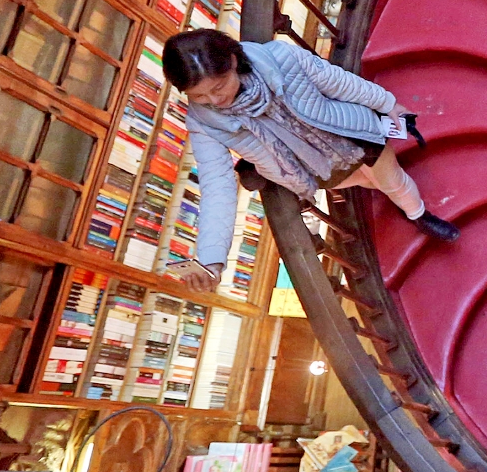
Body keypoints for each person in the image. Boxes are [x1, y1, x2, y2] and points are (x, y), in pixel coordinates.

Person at [162, 30, 458, 292]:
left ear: (232, 61)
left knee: (393, 181)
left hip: (352, 135)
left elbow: (337, 83)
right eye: (198, 96)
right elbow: (217, 186)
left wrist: (386, 103)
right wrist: (212, 258)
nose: (215, 101)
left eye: (219, 86)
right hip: (312, 169)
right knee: (371, 183)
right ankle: (397, 200)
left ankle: (417, 213)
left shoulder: (282, 58)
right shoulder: (203, 122)